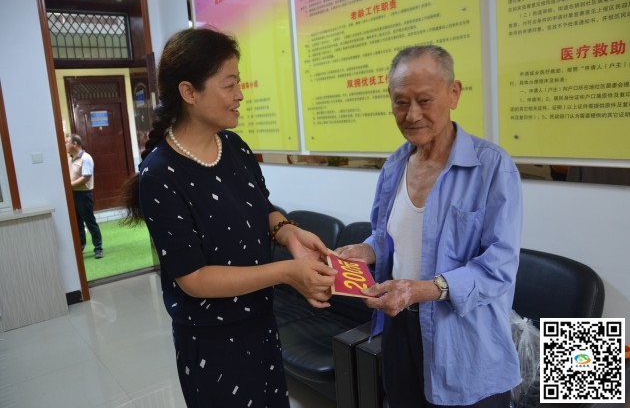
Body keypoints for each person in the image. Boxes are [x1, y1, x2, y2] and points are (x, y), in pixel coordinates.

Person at [120, 28, 336, 408]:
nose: (240, 95)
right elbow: (194, 279)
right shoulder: (161, 174)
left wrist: (289, 233)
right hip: (212, 344)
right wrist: (287, 272)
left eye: (239, 82)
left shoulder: (234, 147)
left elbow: (263, 209)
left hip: (261, 325)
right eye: (229, 84)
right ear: (189, 92)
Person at [335, 45, 523, 407]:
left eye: (424, 100)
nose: (412, 115)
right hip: (400, 329)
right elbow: (389, 236)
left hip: (463, 339)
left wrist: (423, 290)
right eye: (400, 102)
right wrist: (366, 249)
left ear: (453, 94)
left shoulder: (492, 167)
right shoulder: (395, 165)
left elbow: (499, 267)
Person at [65, 133, 104, 259]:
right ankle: (80, 247)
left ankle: (98, 248)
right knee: (77, 223)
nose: (65, 145)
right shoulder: (70, 159)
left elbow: (85, 178)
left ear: (74, 144)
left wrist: (68, 186)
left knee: (89, 222)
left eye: (67, 142)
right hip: (73, 194)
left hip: (83, 194)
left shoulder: (86, 158)